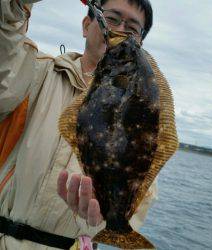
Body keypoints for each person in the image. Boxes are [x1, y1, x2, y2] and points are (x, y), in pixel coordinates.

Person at [0, 0, 176, 249]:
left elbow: (141, 192)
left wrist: (105, 218)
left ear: (139, 43)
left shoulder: (143, 111)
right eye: (113, 19)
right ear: (86, 24)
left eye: (132, 28)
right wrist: (15, 5)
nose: (119, 30)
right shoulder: (34, 74)